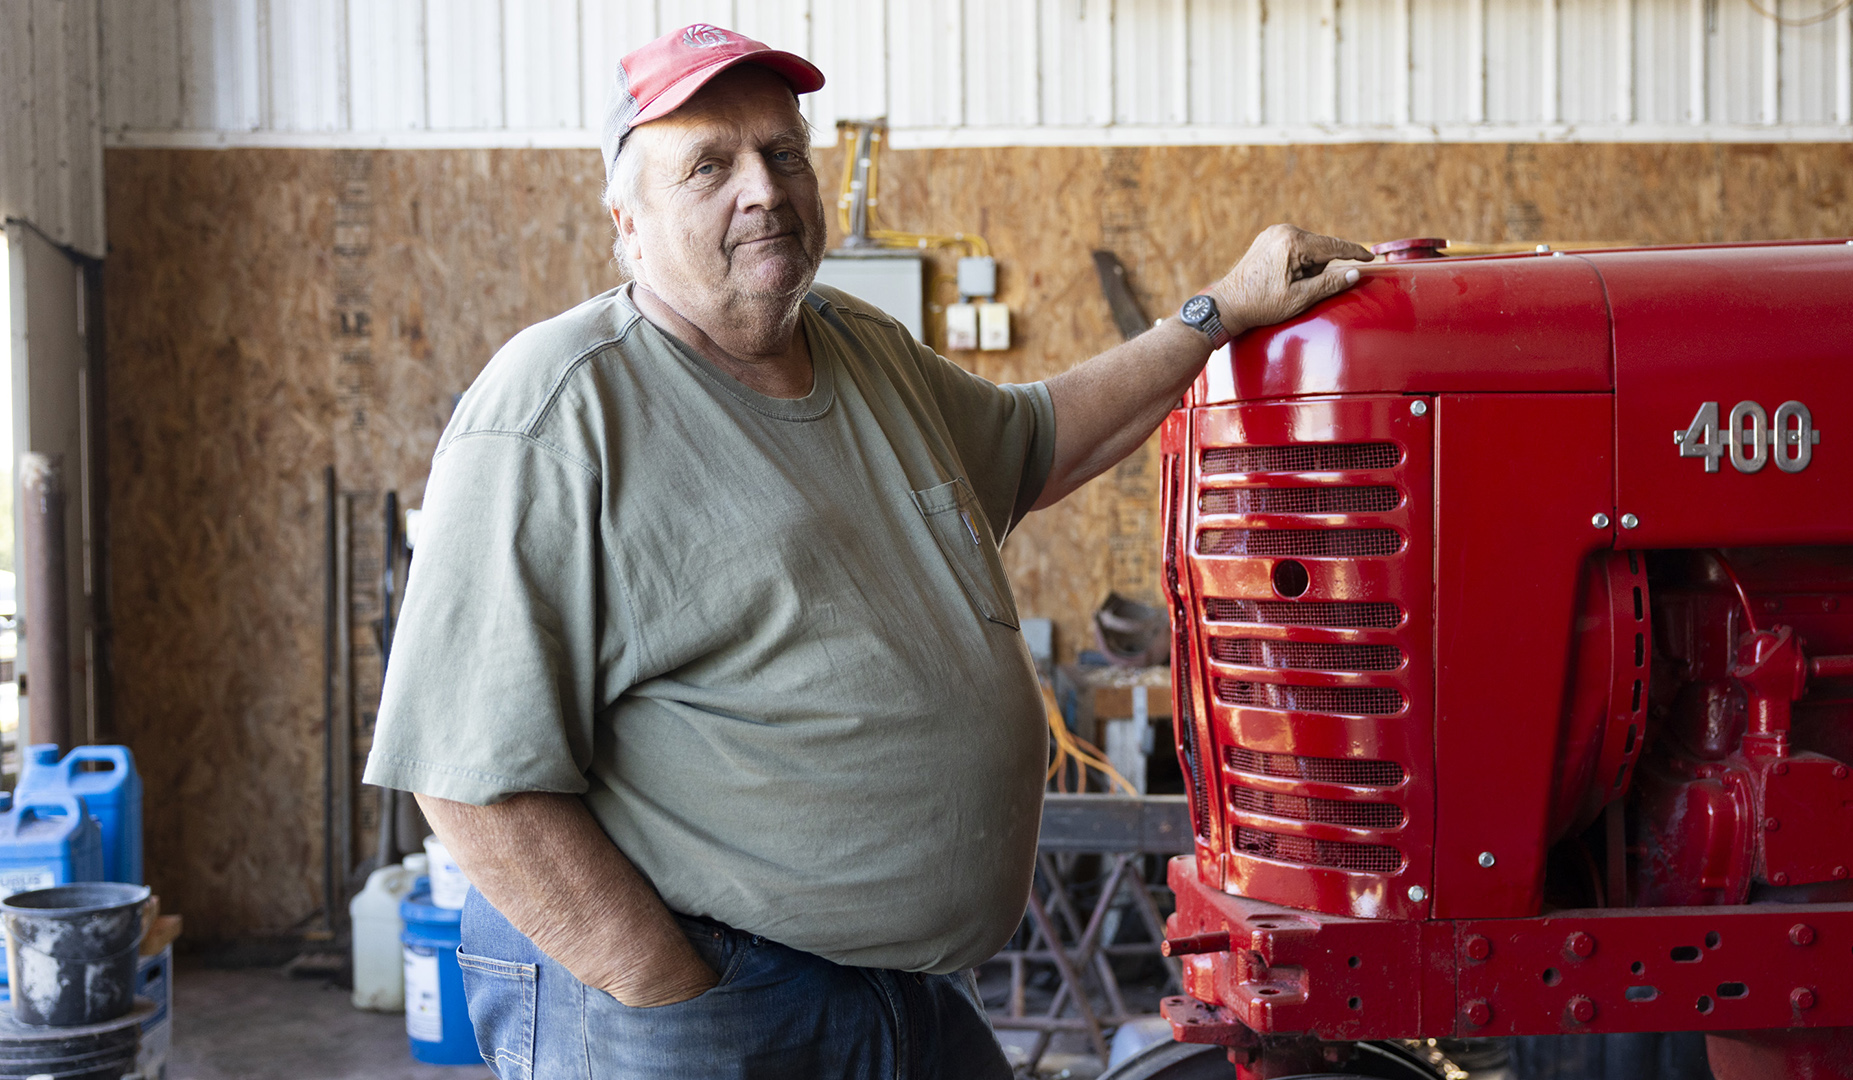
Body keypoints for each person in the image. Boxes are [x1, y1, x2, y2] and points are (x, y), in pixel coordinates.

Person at [364, 22, 1373, 1080]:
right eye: (709, 164)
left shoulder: (859, 347)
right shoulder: (558, 407)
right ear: (628, 220)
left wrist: (1220, 316)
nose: (763, 186)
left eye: (783, 152)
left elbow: (1036, 439)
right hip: (709, 998)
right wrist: (664, 986)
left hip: (904, 995)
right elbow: (468, 778)